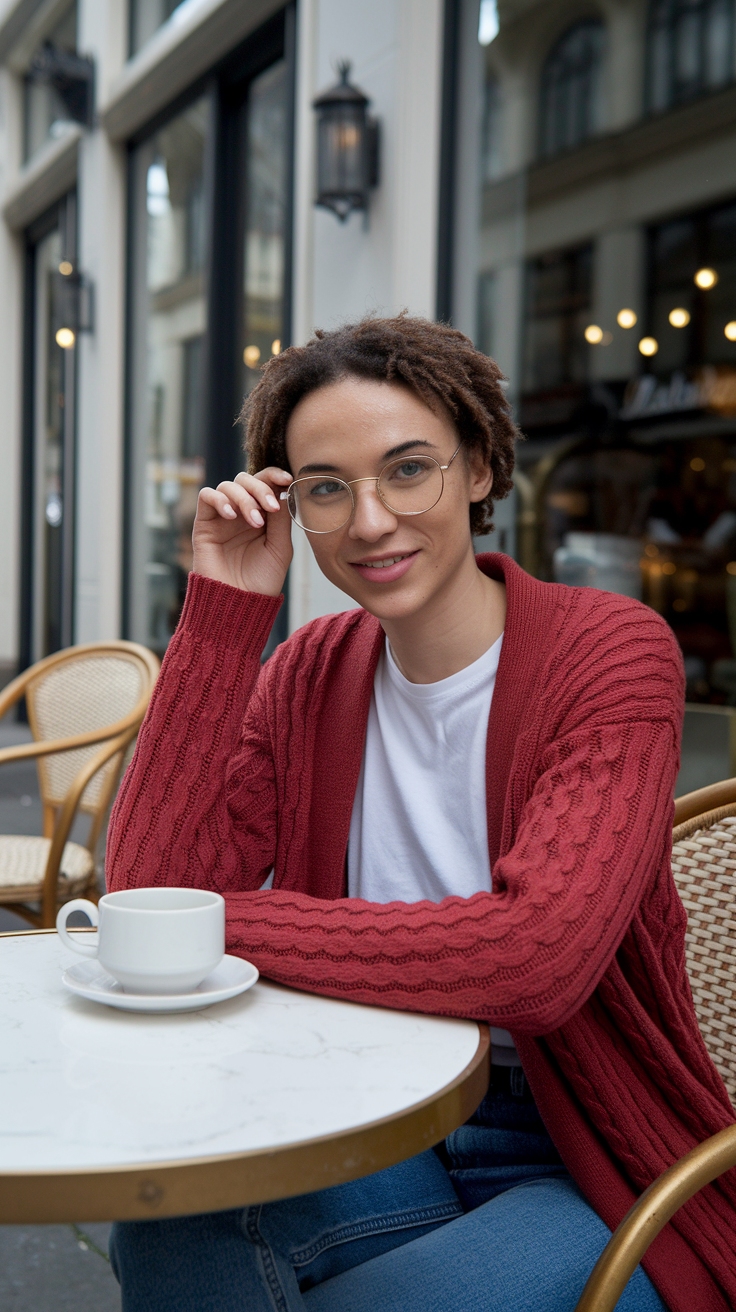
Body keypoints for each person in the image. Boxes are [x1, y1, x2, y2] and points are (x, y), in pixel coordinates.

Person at [107, 316, 736, 1312]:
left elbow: (534, 961)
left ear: (479, 468)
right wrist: (224, 611)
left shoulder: (610, 653)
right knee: (165, 1226)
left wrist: (218, 926)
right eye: (326, 487)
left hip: (580, 1153)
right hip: (368, 1111)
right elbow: (147, 894)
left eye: (408, 470)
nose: (369, 521)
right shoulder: (307, 671)